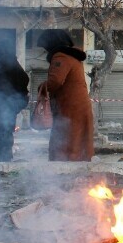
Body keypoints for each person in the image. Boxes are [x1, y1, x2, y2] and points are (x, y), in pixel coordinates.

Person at [36, 30, 94, 161]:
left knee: (65, 145)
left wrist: (42, 87)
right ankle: (79, 174)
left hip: (69, 109)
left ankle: (65, 175)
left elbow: (55, 81)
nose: (45, 50)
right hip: (78, 107)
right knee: (79, 145)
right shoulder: (73, 57)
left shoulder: (60, 57)